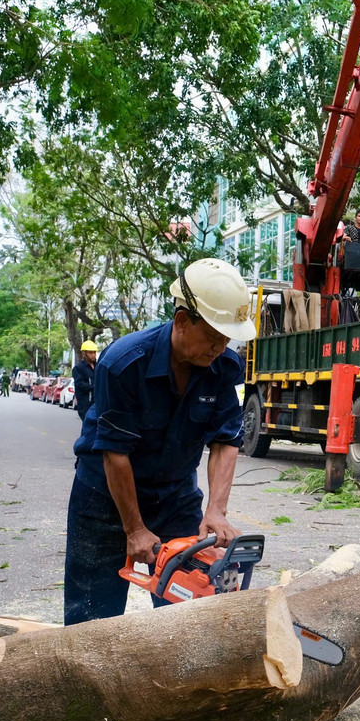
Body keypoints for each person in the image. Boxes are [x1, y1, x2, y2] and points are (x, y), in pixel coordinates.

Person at [64, 258, 254, 625]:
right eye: (213, 336)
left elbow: (226, 440)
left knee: (189, 611)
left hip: (175, 496)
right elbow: (115, 453)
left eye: (227, 338)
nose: (220, 347)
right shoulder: (122, 363)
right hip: (105, 495)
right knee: (91, 617)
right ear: (182, 321)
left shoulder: (224, 368)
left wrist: (216, 510)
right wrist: (134, 529)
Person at [72, 340, 99, 422]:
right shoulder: (78, 368)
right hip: (85, 404)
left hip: (98, 403)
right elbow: (79, 384)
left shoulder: (99, 366)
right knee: (88, 425)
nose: (93, 355)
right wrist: (94, 388)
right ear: (84, 353)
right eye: (90, 353)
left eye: (94, 352)